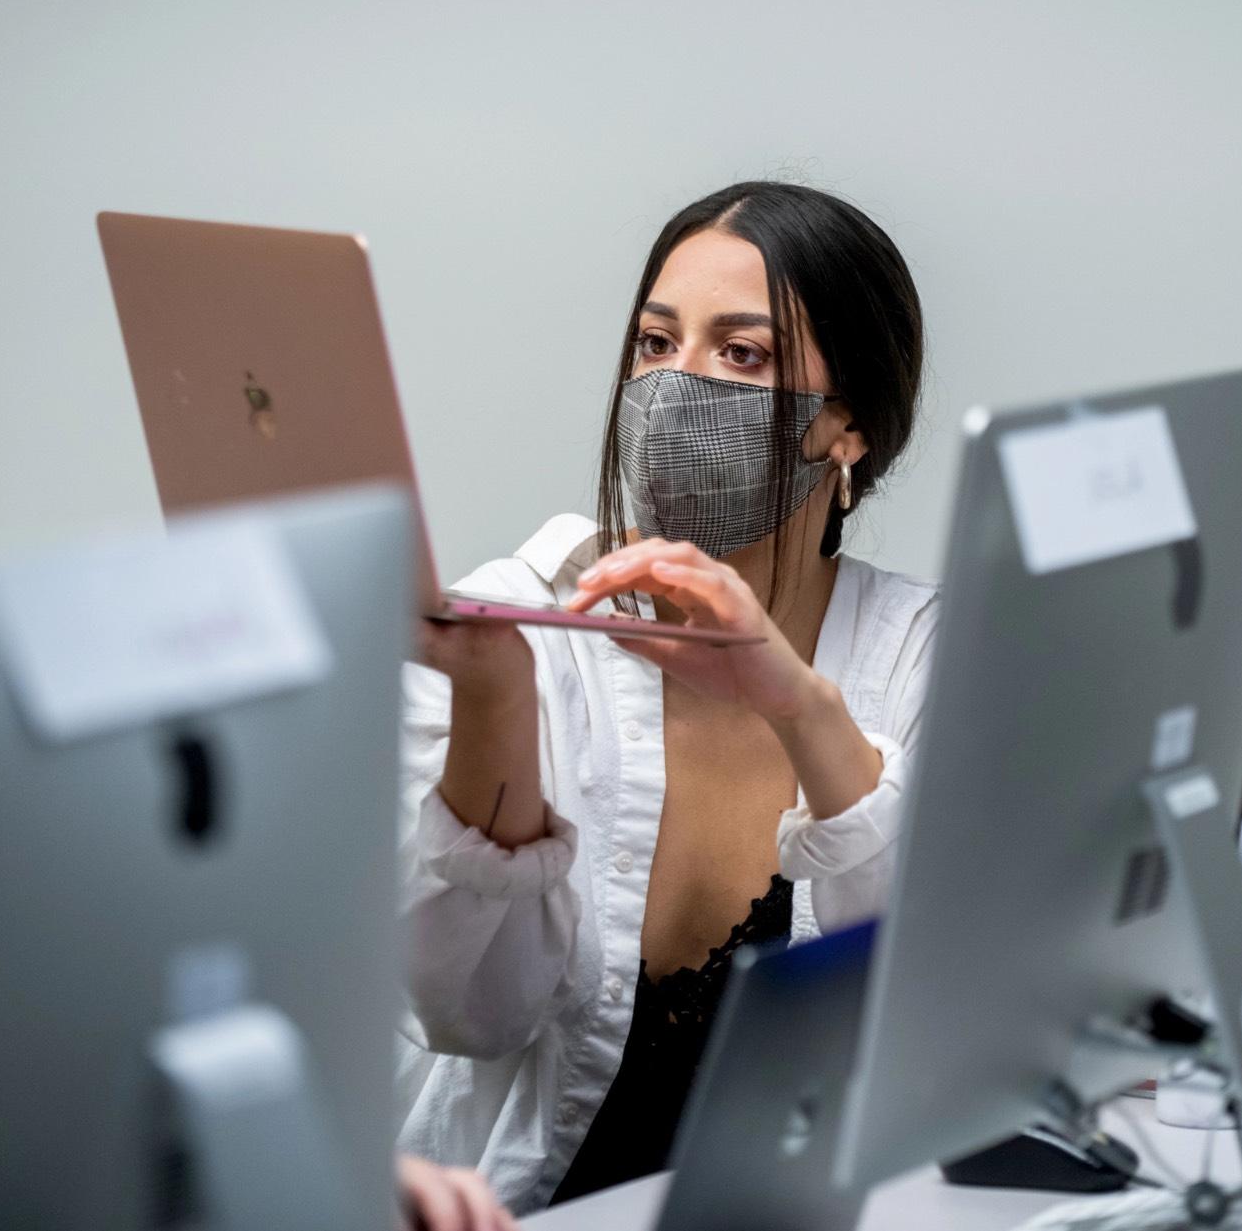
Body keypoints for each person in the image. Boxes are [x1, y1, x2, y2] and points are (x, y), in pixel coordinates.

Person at [394, 182, 937, 1213]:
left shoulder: (923, 654)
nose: (673, 388)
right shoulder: (509, 627)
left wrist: (801, 708)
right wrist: (498, 704)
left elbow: (936, 1018)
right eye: (653, 343)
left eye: (741, 354)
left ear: (849, 425)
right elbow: (469, 1013)